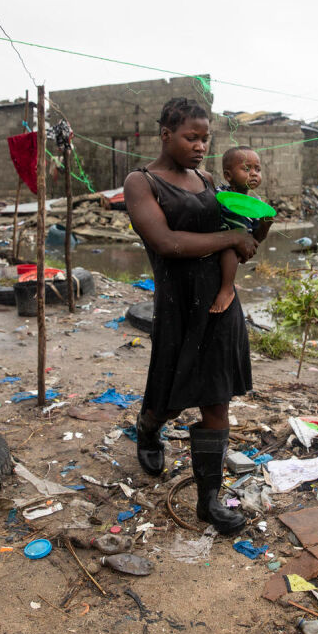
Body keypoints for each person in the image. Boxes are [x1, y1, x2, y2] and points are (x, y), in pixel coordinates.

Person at [123, 98, 262, 535]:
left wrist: (251, 230)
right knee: (169, 396)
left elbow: (240, 239)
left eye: (206, 138)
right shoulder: (141, 182)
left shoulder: (206, 179)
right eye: (191, 137)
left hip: (220, 305)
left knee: (216, 400)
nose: (201, 146)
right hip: (177, 306)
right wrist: (229, 237)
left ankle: (209, 500)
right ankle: (148, 428)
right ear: (166, 135)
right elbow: (165, 242)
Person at [210, 146, 273, 313]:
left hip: (241, 247)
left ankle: (228, 284)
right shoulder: (221, 194)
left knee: (233, 252)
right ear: (228, 175)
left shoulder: (255, 205)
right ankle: (227, 289)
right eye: (247, 169)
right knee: (229, 250)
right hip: (220, 242)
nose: (254, 173)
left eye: (257, 169)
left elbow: (256, 238)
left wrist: (266, 224)